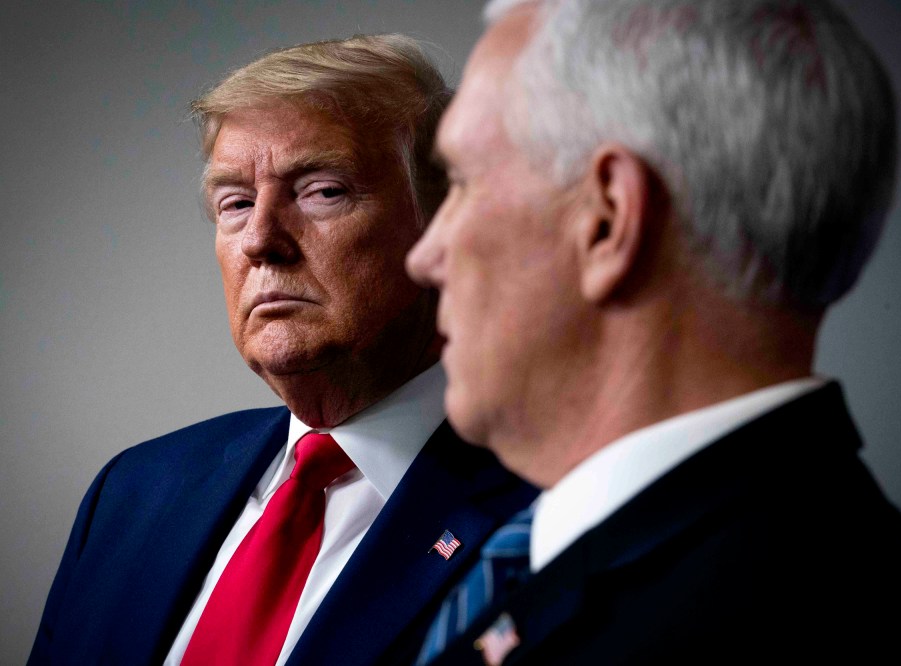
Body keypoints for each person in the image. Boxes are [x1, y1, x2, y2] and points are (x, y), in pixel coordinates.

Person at [405, 1, 901, 664]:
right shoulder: (806, 561)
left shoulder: (742, 619)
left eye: (462, 183)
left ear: (607, 220)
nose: (424, 256)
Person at [29, 35, 535, 666]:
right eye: (235, 203)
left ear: (448, 226)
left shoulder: (553, 508)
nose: (261, 240)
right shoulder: (132, 492)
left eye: (323, 191)